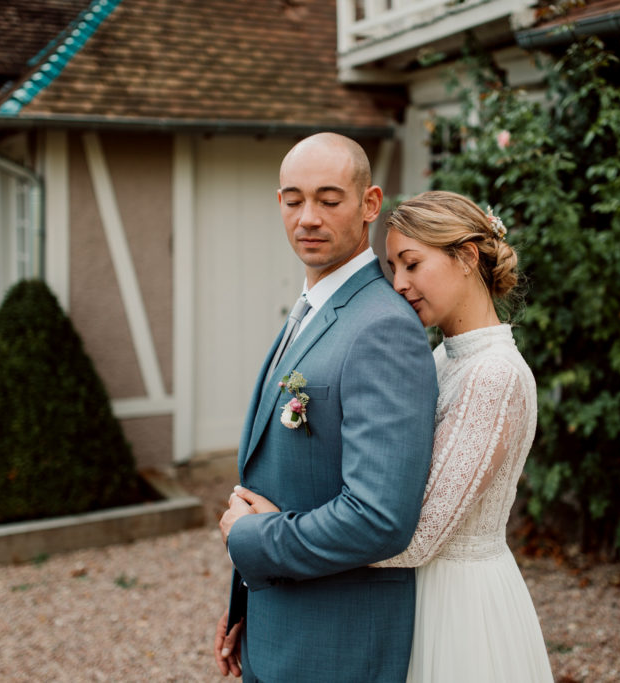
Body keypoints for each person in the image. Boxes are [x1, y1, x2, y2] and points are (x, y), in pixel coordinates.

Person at [233, 190, 555, 682]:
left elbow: (416, 536)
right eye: (393, 268)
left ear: (466, 257)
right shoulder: (443, 358)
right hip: (406, 599)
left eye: (412, 264)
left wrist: (276, 534)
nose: (400, 285)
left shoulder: (494, 375)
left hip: (458, 607)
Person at [213, 133, 438, 683]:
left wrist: (249, 541)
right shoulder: (311, 308)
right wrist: (248, 606)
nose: (307, 217)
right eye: (293, 200)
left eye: (328, 199)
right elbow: (279, 480)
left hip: (335, 650)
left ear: (369, 203)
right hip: (279, 628)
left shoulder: (382, 327)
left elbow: (379, 519)